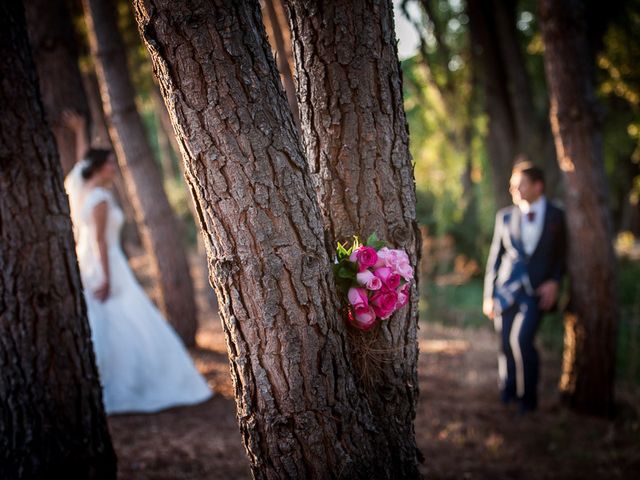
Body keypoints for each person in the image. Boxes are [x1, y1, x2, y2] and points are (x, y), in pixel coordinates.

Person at [63, 122, 212, 414]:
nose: (113, 169)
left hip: (98, 262)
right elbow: (101, 243)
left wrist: (80, 132)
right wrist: (106, 277)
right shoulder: (100, 200)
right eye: (108, 165)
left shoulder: (85, 194)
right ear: (97, 168)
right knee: (121, 316)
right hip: (107, 265)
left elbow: (81, 163)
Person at [483, 162, 566, 413]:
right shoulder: (505, 216)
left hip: (536, 291)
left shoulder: (556, 215)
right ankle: (506, 393)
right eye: (512, 184)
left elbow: (562, 255)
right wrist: (488, 295)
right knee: (504, 343)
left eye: (520, 184)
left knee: (522, 340)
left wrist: (555, 281)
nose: (514, 189)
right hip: (505, 290)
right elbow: (494, 258)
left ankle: (528, 400)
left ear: (538, 186)